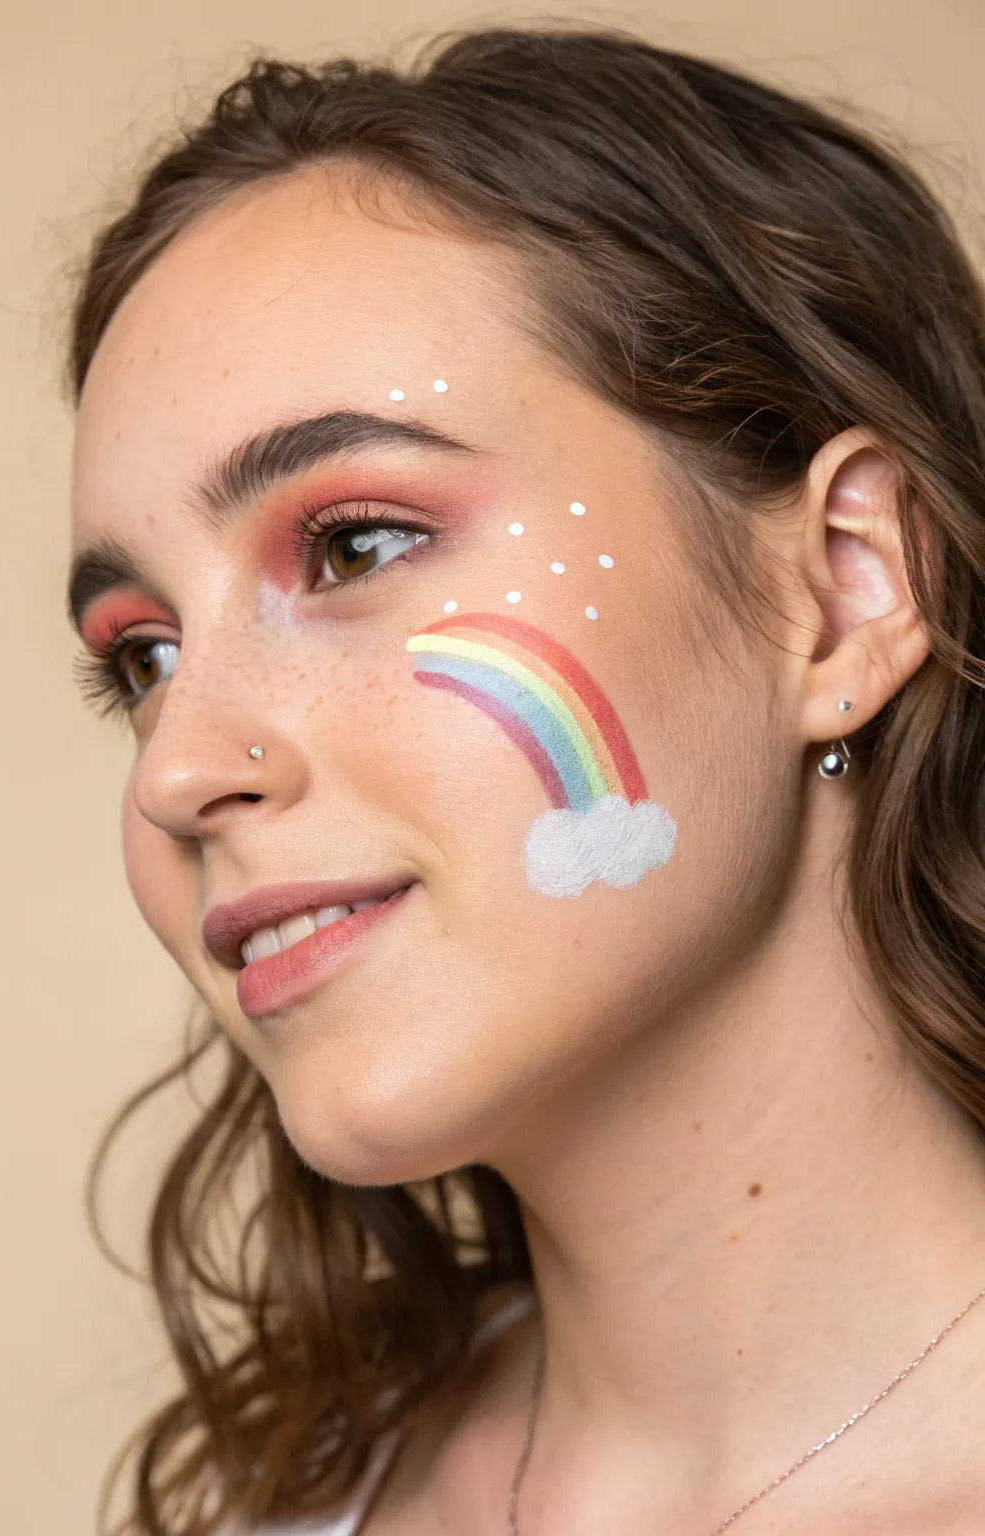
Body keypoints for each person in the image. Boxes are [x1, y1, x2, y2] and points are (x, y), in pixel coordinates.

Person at [67, 25, 985, 1536]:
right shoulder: (282, 1496)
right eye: (143, 656)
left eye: (355, 543)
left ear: (842, 585)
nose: (174, 770)